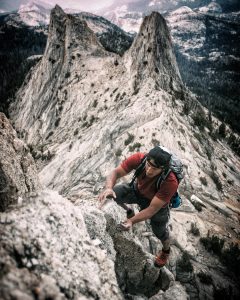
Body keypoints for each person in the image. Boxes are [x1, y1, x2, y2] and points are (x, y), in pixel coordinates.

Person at [98, 146, 179, 267]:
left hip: (157, 206)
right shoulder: (139, 158)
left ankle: (166, 251)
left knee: (160, 232)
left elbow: (152, 209)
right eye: (148, 164)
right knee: (115, 193)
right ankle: (129, 210)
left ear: (163, 169)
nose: (149, 170)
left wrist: (131, 221)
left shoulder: (170, 182)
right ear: (146, 158)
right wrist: (109, 188)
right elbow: (115, 172)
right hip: (137, 191)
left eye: (155, 168)